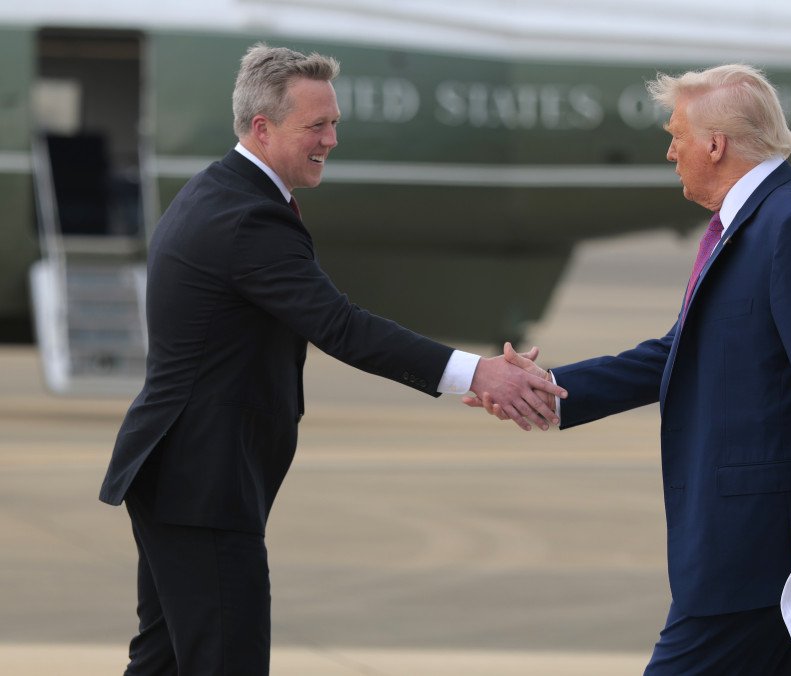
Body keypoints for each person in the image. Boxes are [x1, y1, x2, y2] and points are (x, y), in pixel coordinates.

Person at [99, 43, 565, 675]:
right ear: (262, 128)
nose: (332, 139)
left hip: (178, 474)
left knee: (163, 662)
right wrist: (476, 373)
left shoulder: (221, 190)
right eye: (316, 126)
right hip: (202, 481)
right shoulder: (245, 218)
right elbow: (341, 326)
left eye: (334, 122)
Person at [468, 64, 791, 675]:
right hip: (774, 550)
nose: (670, 152)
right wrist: (554, 391)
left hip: (770, 546)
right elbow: (681, 352)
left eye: (676, 135)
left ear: (715, 144)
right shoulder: (752, 224)